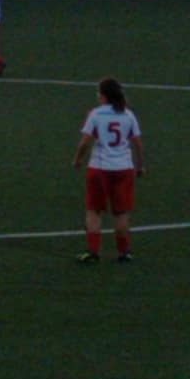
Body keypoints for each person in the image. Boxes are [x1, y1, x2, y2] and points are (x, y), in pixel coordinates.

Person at [72, 77, 145, 263]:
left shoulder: (96, 114)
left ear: (103, 96)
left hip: (99, 168)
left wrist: (77, 160)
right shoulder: (128, 115)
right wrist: (140, 166)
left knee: (94, 210)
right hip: (123, 169)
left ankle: (93, 252)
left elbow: (85, 142)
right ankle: (124, 252)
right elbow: (137, 143)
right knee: (121, 212)